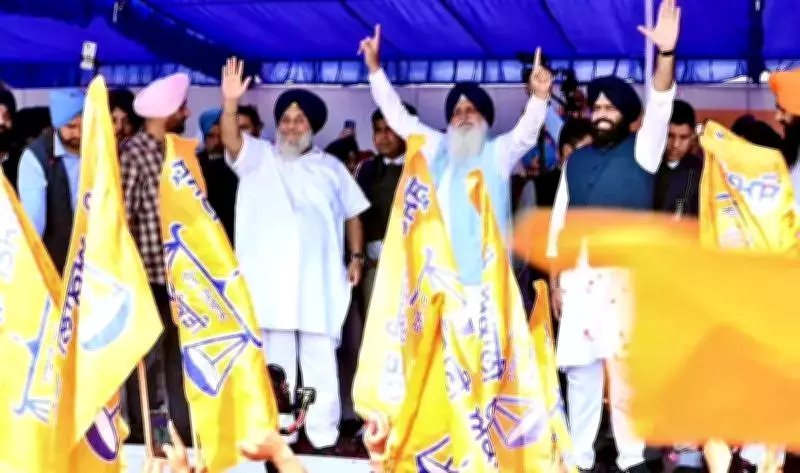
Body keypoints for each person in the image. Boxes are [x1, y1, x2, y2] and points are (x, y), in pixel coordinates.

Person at [546, 1, 681, 471]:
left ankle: (630, 457)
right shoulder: (575, 161)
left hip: (625, 278)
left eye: (610, 107)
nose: (601, 113)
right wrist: (557, 279)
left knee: (625, 370)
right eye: (597, 107)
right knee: (581, 371)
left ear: (627, 116)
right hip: (579, 279)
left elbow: (661, 103)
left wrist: (666, 54)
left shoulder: (644, 150)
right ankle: (580, 455)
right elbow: (560, 222)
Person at [219, 57, 370, 453]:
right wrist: (230, 102)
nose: (291, 126)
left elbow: (354, 213)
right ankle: (282, 432)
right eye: (285, 119)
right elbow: (231, 139)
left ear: (312, 126)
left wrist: (356, 257)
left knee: (320, 360)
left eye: (299, 120)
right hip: (270, 286)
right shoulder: (258, 156)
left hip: (318, 282)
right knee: (277, 365)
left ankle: (323, 435)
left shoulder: (332, 167)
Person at [359, 24, 553, 292]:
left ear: (485, 119)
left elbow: (526, 133)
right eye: (457, 112)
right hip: (442, 280)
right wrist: (374, 69)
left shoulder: (498, 152)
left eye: (471, 110)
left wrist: (540, 96)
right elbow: (398, 117)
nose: (463, 117)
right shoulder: (437, 147)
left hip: (488, 284)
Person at [119, 72, 193, 445]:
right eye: (182, 108)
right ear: (167, 112)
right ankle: (154, 437)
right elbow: (122, 220)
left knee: (179, 360)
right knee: (151, 365)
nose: (187, 113)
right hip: (146, 277)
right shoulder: (133, 154)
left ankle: (180, 435)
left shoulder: (176, 151)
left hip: (179, 277)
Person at [354, 103, 417, 309]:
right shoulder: (366, 169)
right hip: (376, 266)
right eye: (378, 130)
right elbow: (355, 216)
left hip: (415, 268)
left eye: (389, 129)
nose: (383, 136)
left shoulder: (425, 166)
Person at [17, 89, 85, 273]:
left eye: (83, 126)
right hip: (54, 264)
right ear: (57, 125)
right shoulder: (36, 158)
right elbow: (33, 224)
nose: (79, 133)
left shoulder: (97, 149)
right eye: (71, 127)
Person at [654, 99, 702, 218]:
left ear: (692, 136)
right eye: (670, 136)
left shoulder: (701, 171)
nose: (675, 144)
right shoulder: (646, 166)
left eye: (683, 137)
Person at [196, 108, 238, 242]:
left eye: (221, 135)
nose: (217, 142)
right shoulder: (193, 164)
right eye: (211, 136)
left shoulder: (239, 163)